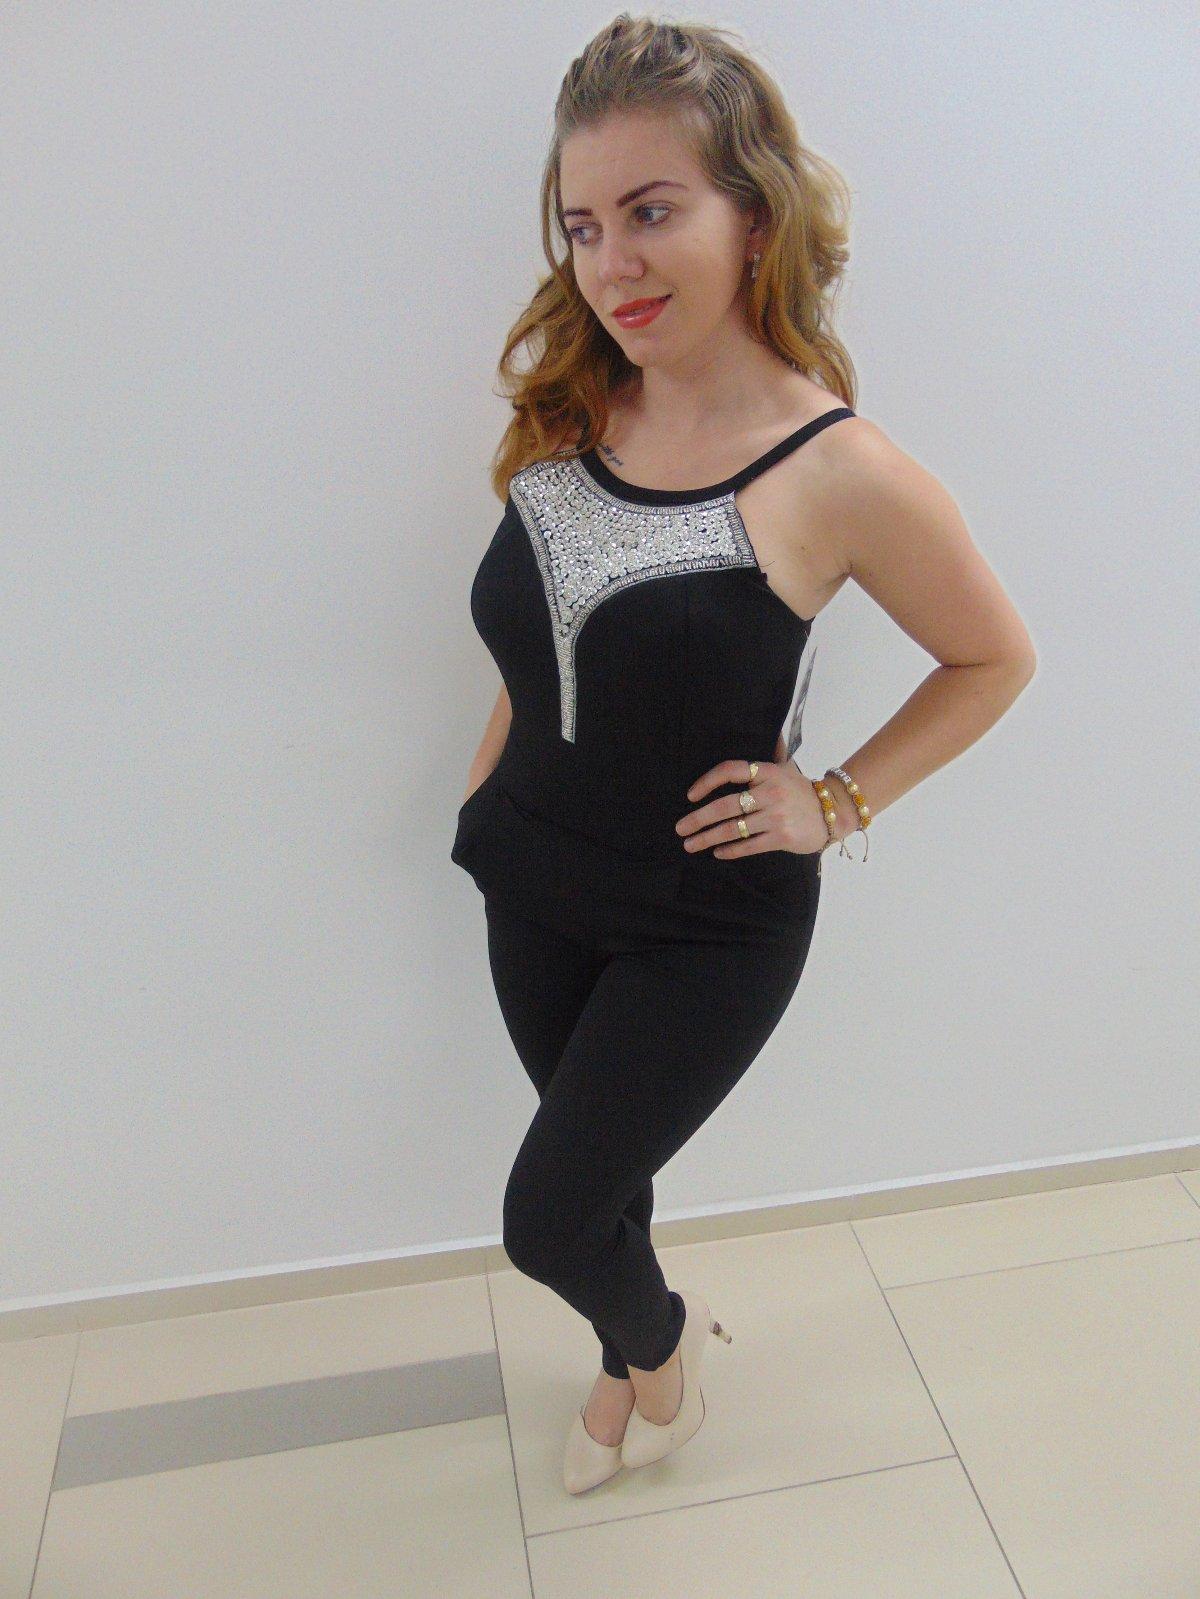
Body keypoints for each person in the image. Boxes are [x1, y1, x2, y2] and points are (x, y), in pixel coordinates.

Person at [450, 14, 1037, 1494]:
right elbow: (536, 634)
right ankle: (633, 1346)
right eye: (586, 225)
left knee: (548, 1217)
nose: (613, 264)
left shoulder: (838, 469)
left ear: (754, 216)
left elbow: (994, 659)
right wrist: (489, 794)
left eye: (654, 211)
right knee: (608, 1181)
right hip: (532, 883)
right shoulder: (577, 404)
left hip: (702, 920)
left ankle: (657, 1355)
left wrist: (833, 800)